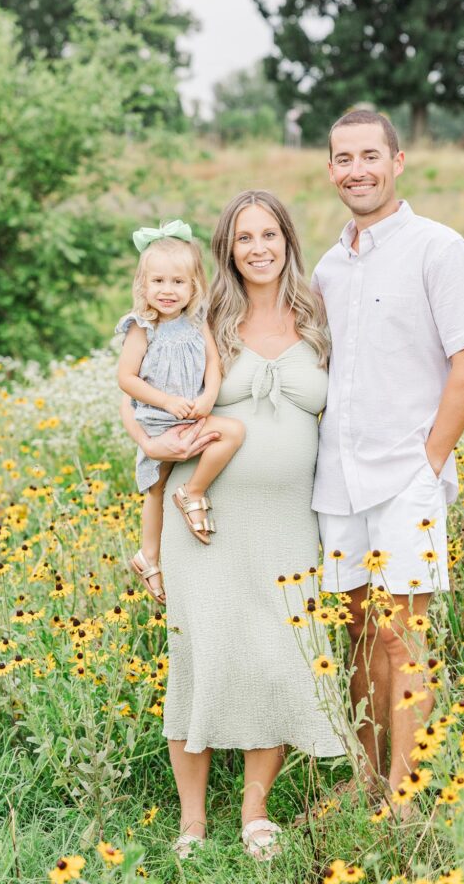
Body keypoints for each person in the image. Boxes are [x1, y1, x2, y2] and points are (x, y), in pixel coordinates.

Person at [119, 193, 343, 862]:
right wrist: (151, 448)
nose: (257, 247)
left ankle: (255, 813)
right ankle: (191, 823)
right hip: (207, 522)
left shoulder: (319, 316)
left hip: (288, 526)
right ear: (226, 247)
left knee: (274, 661)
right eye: (243, 236)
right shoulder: (204, 315)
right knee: (202, 660)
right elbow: (142, 391)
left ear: (286, 239)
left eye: (268, 233)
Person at [312, 110, 464, 799]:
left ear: (398, 161)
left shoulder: (437, 248)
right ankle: (365, 777)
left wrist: (429, 462)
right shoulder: (329, 266)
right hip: (339, 477)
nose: (356, 169)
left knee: (401, 637)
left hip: (405, 475)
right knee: (355, 635)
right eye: (342, 158)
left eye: (369, 155)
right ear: (330, 170)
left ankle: (406, 792)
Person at [117, 220, 245, 603]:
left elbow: (212, 363)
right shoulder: (142, 327)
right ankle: (149, 556)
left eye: (177, 282)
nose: (167, 291)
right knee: (154, 490)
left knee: (233, 432)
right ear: (143, 286)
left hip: (192, 415)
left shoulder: (196, 321)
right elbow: (126, 379)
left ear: (194, 287)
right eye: (158, 282)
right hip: (159, 421)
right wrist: (166, 401)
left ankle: (193, 490)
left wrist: (207, 399)